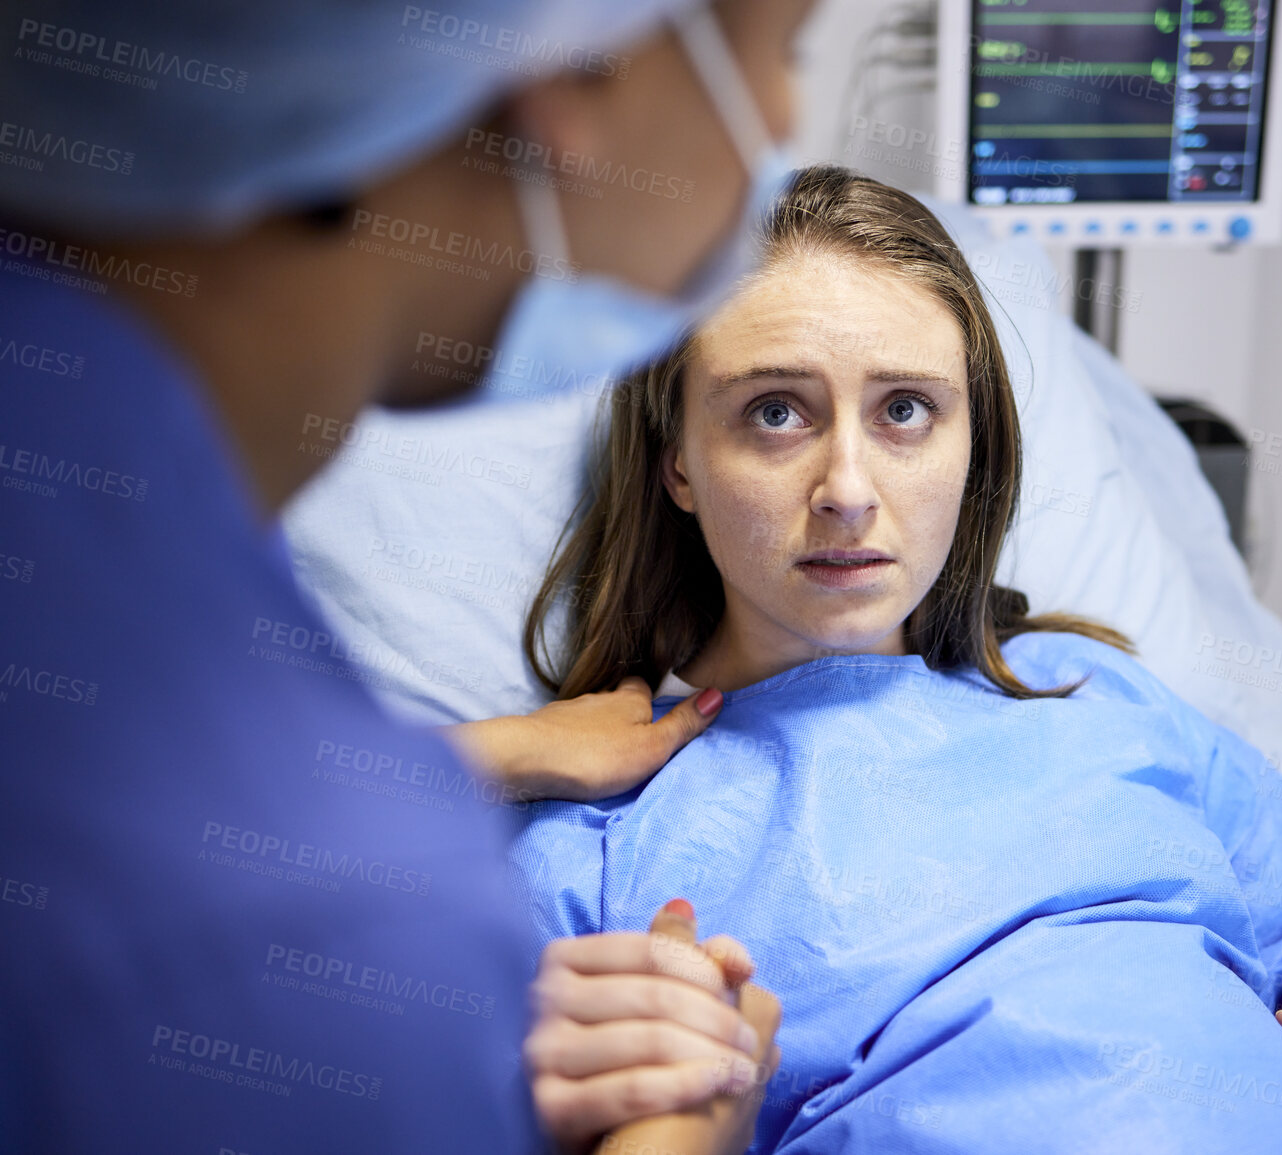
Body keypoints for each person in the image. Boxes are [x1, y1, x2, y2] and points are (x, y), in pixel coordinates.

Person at [508, 166, 1282, 1153]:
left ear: (974, 446)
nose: (849, 489)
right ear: (679, 461)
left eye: (905, 410)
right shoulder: (600, 852)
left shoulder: (1095, 696)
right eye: (777, 411)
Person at [0, 0, 811, 1150]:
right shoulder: (317, 921)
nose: (783, 121)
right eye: (790, 50)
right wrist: (682, 1129)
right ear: (573, 76)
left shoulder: (98, 448)